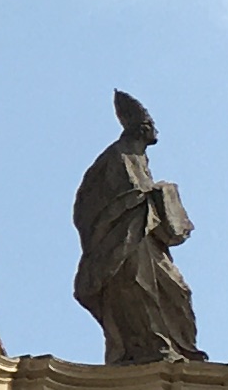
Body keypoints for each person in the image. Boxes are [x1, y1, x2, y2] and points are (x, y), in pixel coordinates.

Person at [70, 90, 202, 363]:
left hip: (148, 237)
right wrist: (149, 196)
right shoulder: (118, 156)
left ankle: (178, 346)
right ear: (141, 128)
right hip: (126, 240)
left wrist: (161, 196)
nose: (155, 130)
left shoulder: (139, 158)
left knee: (178, 291)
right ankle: (151, 347)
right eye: (151, 125)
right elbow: (97, 203)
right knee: (138, 289)